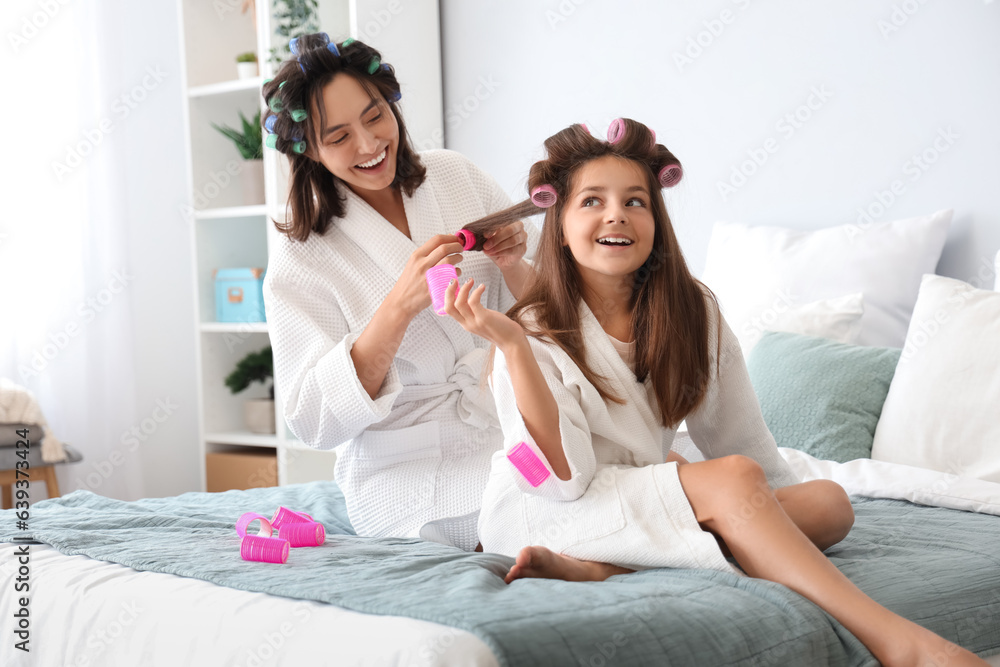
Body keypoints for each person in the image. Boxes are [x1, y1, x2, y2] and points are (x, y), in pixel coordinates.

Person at [442, 119, 988, 666]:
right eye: (592, 201)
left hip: (630, 501)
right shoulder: (530, 329)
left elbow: (739, 438)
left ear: (656, 222)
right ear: (559, 226)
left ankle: (610, 567)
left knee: (829, 505)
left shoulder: (692, 309)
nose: (616, 214)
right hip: (548, 510)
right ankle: (902, 643)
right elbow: (557, 481)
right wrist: (513, 349)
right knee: (730, 484)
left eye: (636, 201)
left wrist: (754, 507)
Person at [260, 33, 536, 551]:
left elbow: (557, 315)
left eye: (375, 115)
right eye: (338, 137)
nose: (368, 144)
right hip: (406, 467)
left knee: (615, 475)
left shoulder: (456, 176)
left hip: (511, 424)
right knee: (532, 513)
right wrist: (399, 305)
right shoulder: (302, 249)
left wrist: (518, 263)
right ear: (310, 151)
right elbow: (312, 421)